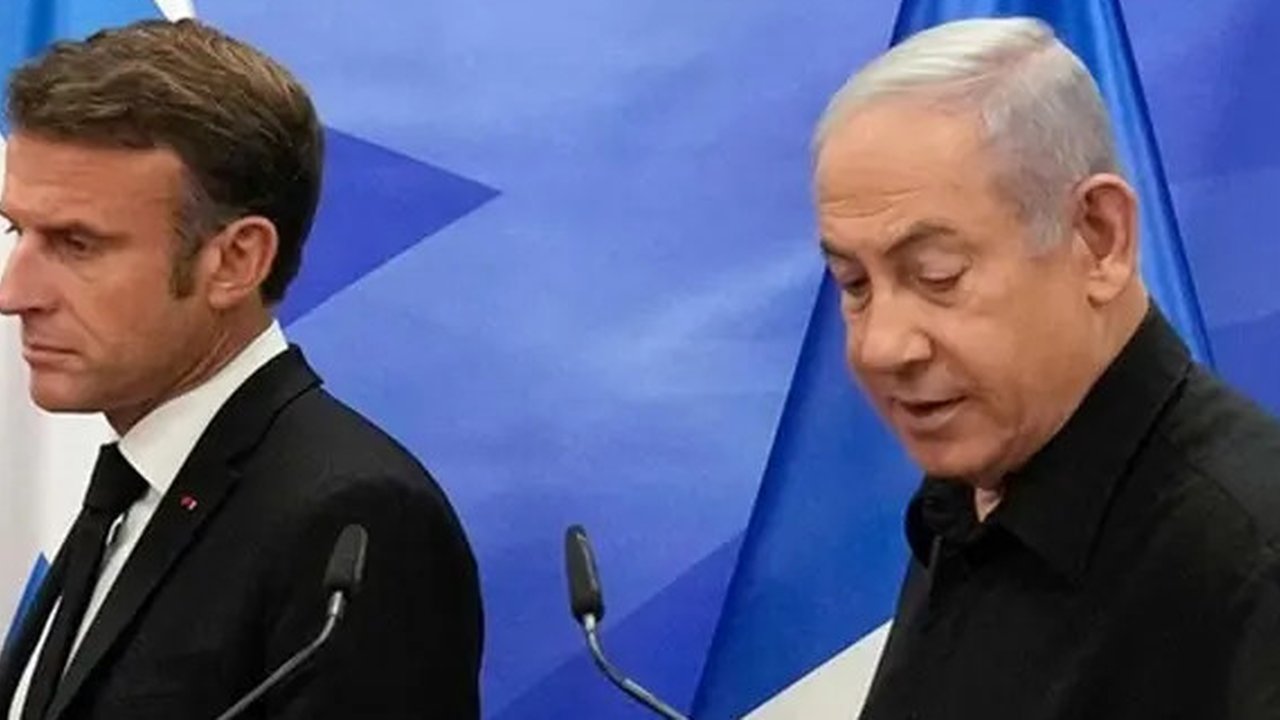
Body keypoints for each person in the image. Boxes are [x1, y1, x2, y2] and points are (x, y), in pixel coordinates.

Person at [0, 18, 482, 719]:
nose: (13, 292)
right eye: (17, 230)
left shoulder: (354, 520)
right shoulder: (139, 485)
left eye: (77, 244)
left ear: (235, 260)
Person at [812, 16, 1280, 719]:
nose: (882, 346)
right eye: (854, 285)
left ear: (1099, 236)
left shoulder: (1253, 568)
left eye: (937, 275)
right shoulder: (965, 502)